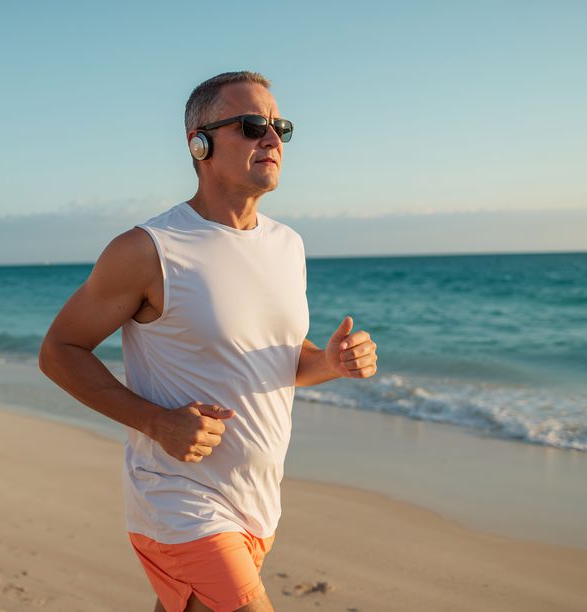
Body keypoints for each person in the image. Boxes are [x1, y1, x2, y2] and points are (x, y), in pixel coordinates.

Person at [38, 70, 379, 612]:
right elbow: (59, 350)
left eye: (279, 127)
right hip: (178, 499)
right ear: (199, 144)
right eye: (250, 125)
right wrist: (157, 421)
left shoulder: (288, 246)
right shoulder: (150, 248)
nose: (271, 139)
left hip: (258, 502)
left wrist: (331, 362)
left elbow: (281, 360)